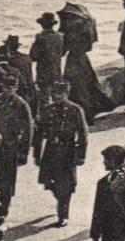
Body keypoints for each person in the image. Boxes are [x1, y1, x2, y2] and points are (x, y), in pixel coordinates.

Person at [32, 80, 87, 226]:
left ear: (67, 94)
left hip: (68, 150)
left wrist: (81, 155)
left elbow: (83, 133)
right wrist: (36, 154)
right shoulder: (47, 110)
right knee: (49, 181)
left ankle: (63, 214)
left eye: (61, 94)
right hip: (51, 150)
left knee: (66, 184)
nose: (58, 97)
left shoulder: (76, 110)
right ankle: (60, 198)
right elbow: (39, 133)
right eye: (55, 93)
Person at [0, 74, 32, 217]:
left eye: (11, 87)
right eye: (5, 87)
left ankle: (3, 211)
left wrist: (24, 151)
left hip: (10, 148)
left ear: (16, 88)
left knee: (7, 182)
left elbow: (28, 129)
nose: (7, 90)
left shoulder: (21, 104)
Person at [58, 2, 112, 123]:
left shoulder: (70, 31)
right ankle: (88, 114)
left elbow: (63, 50)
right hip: (83, 59)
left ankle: (83, 116)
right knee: (87, 85)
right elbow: (89, 46)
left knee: (77, 88)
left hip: (73, 60)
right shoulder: (85, 28)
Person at [29, 12, 66, 93]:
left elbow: (32, 57)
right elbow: (62, 53)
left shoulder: (41, 38)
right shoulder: (60, 37)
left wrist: (36, 41)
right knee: (56, 94)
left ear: (42, 24)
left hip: (44, 73)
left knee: (44, 96)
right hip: (57, 72)